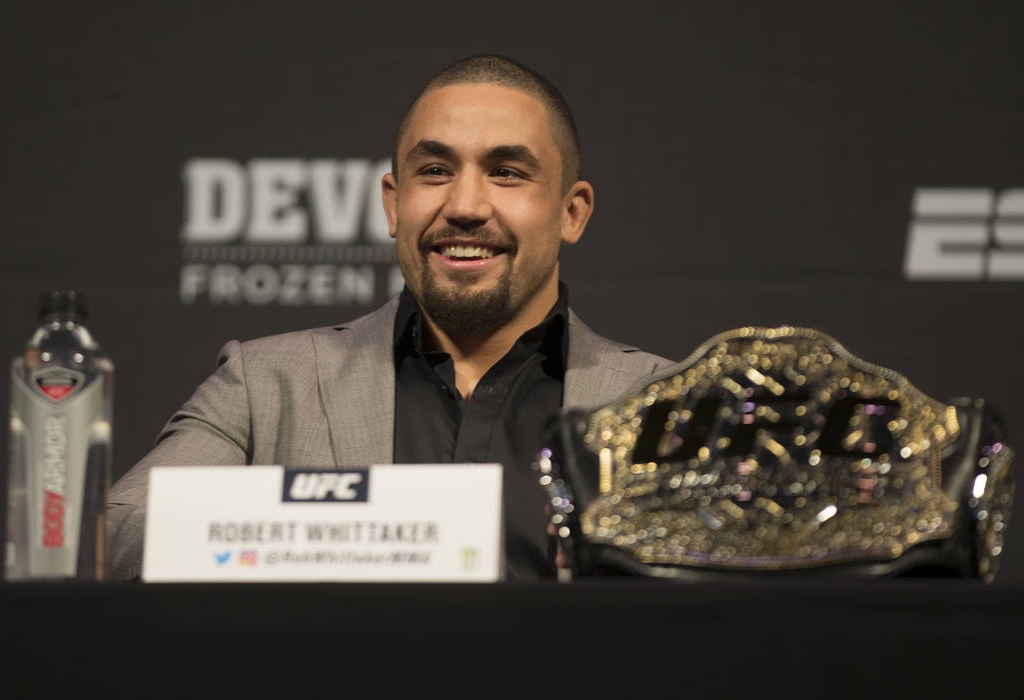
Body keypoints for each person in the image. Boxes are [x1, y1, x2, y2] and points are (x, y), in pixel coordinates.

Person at [106, 55, 672, 581]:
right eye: (434, 170)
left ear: (571, 213)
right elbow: (118, 534)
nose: (466, 206)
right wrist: (358, 535)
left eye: (505, 172)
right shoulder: (265, 383)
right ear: (393, 204)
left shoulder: (665, 405)